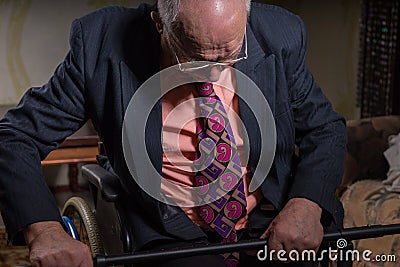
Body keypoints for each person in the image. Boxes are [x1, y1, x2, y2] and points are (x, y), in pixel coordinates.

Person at [0, 0, 347, 266]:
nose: (214, 73)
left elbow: (325, 129)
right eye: (196, 58)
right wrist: (44, 230)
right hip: (170, 232)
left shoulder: (280, 34)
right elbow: (15, 137)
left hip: (271, 216)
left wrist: (306, 204)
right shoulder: (99, 44)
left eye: (230, 55)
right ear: (159, 25)